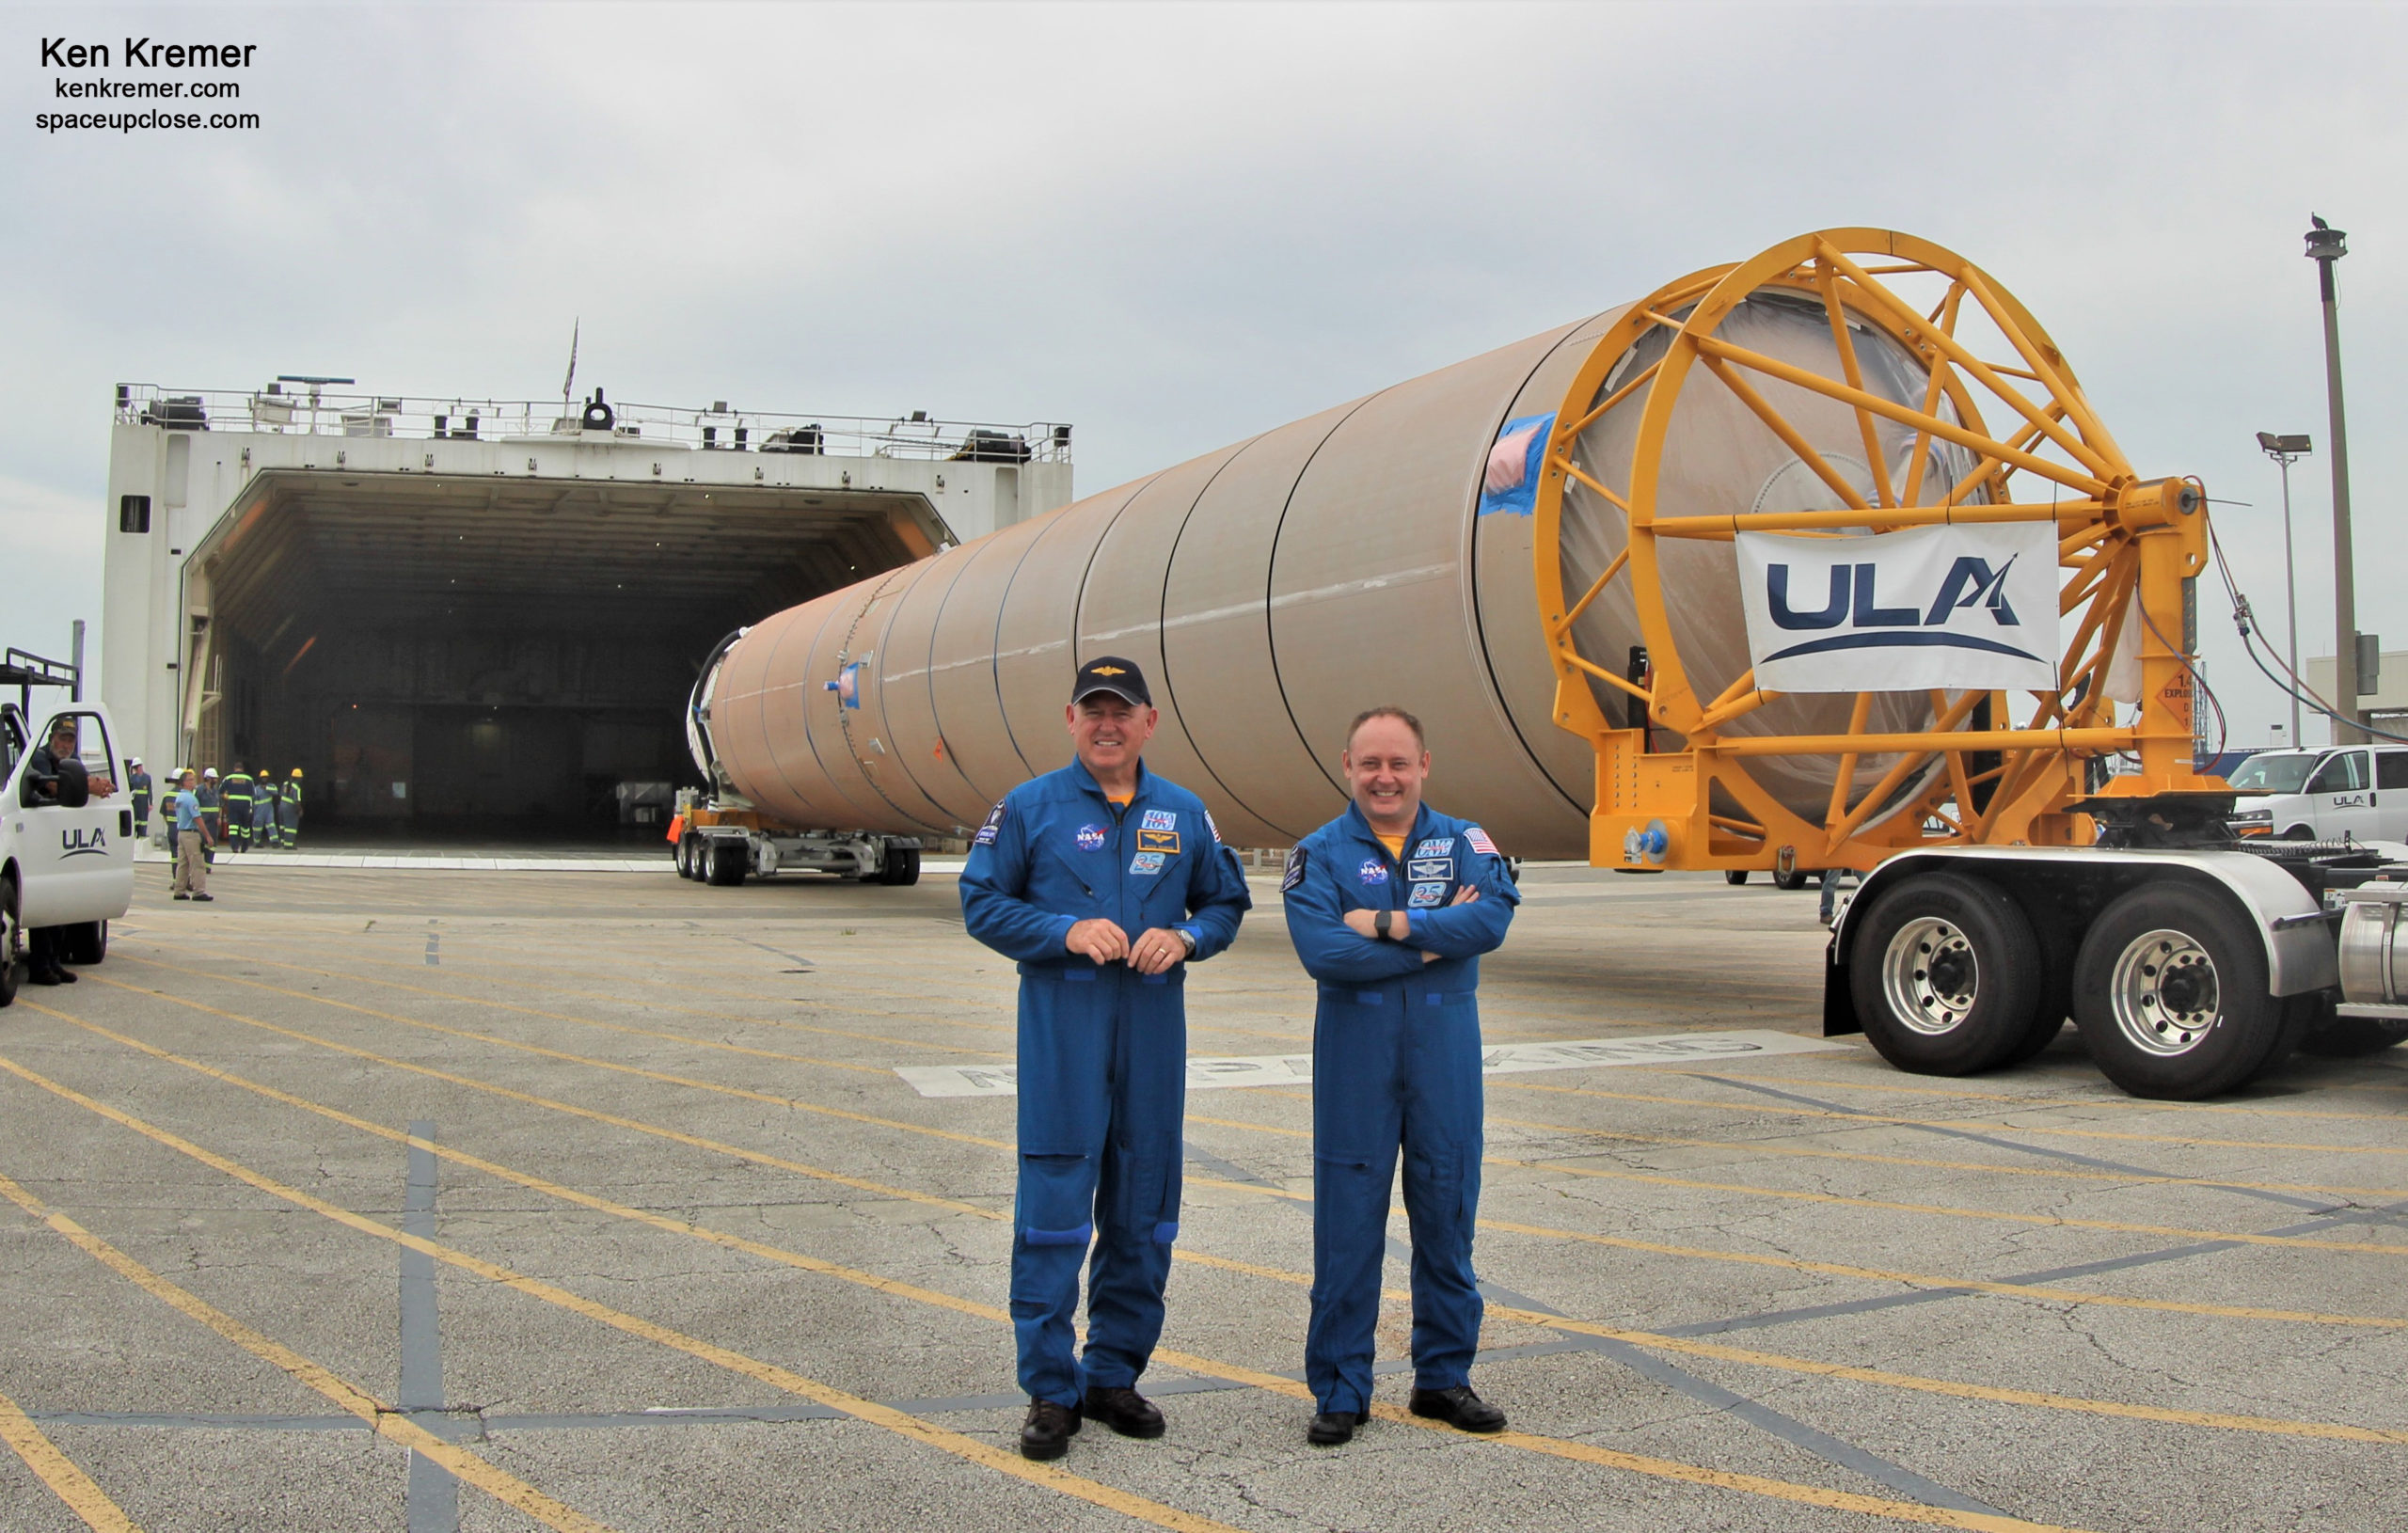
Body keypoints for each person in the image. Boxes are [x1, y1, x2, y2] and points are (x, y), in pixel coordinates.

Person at [959, 656, 1251, 1462]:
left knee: (1144, 1207)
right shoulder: (1028, 808)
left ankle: (1113, 1375)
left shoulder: (1184, 812)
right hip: (1064, 1030)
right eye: (1094, 710)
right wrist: (1062, 933)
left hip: (1153, 1032)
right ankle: (1052, 1393)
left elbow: (1226, 901)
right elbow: (980, 900)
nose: (1107, 724)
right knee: (1053, 1207)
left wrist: (1187, 936)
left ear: (1149, 723)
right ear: (1071, 719)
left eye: (1122, 711)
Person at [1282, 706, 1517, 1447]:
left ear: (1424, 767)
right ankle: (1341, 1388)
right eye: (1370, 764)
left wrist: (1384, 925)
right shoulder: (1318, 853)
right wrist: (1431, 943)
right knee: (1347, 1219)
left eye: (1399, 763)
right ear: (1347, 766)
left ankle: (1443, 1379)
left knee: (1447, 1208)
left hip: (1443, 1050)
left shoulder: (1465, 841)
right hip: (1357, 1053)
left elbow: (1490, 924)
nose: (1385, 777)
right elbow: (1324, 952)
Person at [22, 718, 117, 985]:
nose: (66, 744)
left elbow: (82, 782)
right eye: (62, 738)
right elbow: (52, 786)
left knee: (59, 907)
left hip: (61, 839)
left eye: (71, 740)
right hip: (40, 838)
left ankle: (54, 962)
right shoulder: (40, 758)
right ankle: (40, 966)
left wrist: (98, 785)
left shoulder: (73, 761)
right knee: (44, 906)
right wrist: (92, 786)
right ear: (52, 738)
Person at [169, 769, 214, 901]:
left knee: (182, 864)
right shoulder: (190, 798)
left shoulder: (179, 797)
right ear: (185, 783)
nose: (194, 782)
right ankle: (199, 891)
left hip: (181, 833)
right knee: (197, 863)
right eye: (191, 780)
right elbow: (197, 818)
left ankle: (179, 890)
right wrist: (207, 836)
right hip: (191, 834)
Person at [221, 762, 255, 852]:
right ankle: (245, 846)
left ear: (234, 769)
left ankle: (234, 847)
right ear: (242, 769)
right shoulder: (249, 779)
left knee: (233, 827)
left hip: (233, 806)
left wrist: (227, 798)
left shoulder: (229, 778)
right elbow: (253, 794)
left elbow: (221, 791)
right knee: (245, 828)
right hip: (245, 806)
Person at [198, 767, 222, 865]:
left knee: (212, 844)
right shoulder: (199, 790)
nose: (216, 780)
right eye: (214, 778)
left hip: (213, 823)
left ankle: (208, 865)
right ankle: (200, 864)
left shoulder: (215, 791)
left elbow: (219, 804)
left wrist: (219, 817)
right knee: (201, 843)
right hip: (203, 821)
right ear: (208, 779)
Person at [276, 766, 304, 848]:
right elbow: (296, 801)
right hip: (290, 808)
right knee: (290, 827)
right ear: (298, 778)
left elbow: (280, 795)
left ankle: (283, 842)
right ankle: (288, 845)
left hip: (281, 807)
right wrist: (300, 810)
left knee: (282, 826)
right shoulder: (296, 787)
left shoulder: (285, 784)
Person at [251, 766, 277, 849]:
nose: (264, 779)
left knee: (271, 825)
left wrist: (266, 788)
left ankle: (274, 842)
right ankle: (256, 842)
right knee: (257, 827)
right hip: (258, 811)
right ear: (260, 778)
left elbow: (275, 792)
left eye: (266, 777)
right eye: (263, 778)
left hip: (268, 811)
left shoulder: (272, 786)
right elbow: (252, 800)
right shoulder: (256, 789)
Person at [128, 756, 152, 841]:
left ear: (140, 766)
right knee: (135, 820)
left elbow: (150, 791)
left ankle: (142, 834)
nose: (135, 769)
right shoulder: (132, 778)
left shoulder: (147, 778)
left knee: (143, 820)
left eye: (136, 767)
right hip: (135, 802)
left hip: (143, 803)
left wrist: (151, 803)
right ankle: (135, 835)